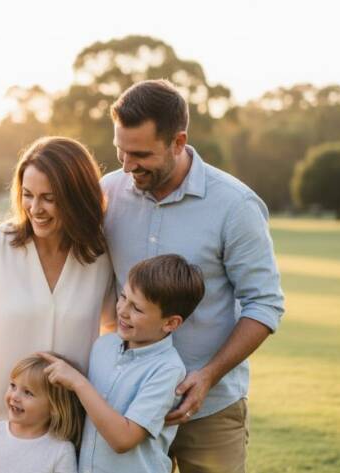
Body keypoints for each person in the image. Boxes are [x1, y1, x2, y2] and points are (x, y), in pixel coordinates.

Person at [102, 79, 285, 472]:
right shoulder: (108, 194)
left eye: (140, 154)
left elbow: (265, 304)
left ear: (178, 141)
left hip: (211, 411)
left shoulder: (235, 206)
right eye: (120, 151)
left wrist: (208, 377)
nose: (127, 165)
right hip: (127, 405)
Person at [0, 136, 116, 459]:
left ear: (77, 198)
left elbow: (116, 329)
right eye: (28, 195)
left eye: (49, 198)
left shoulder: (99, 256)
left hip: (68, 431)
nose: (36, 209)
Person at [41, 254, 205, 473]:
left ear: (171, 323)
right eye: (123, 297)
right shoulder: (103, 346)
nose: (122, 311)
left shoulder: (167, 370)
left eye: (137, 309)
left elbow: (123, 439)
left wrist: (78, 383)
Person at [0, 353, 84, 473]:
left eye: (28, 392)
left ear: (54, 406)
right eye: (13, 386)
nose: (15, 396)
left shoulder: (61, 451)